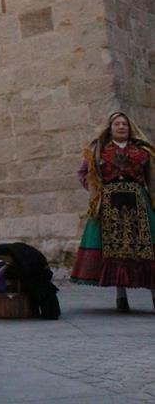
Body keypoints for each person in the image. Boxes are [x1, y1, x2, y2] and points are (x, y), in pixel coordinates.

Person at [70, 111, 155, 312]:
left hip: (138, 204)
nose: (121, 127)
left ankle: (153, 293)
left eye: (124, 123)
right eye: (117, 124)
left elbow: (152, 176)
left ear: (130, 127)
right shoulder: (98, 150)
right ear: (111, 128)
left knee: (148, 249)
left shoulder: (143, 151)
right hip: (109, 204)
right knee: (114, 250)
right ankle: (121, 296)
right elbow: (84, 173)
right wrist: (96, 193)